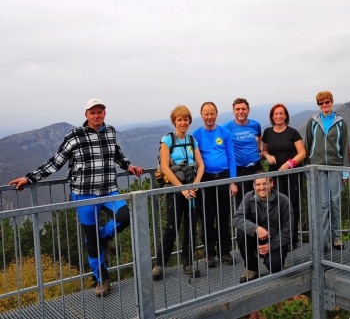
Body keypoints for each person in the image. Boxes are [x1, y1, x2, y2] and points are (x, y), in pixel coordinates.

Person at [9, 99, 144, 297]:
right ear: (86, 115)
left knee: (124, 216)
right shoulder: (74, 135)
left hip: (108, 191)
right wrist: (29, 178)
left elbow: (116, 154)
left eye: (100, 112)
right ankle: (102, 280)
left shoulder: (110, 131)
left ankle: (103, 236)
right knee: (90, 240)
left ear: (104, 114)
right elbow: (55, 162)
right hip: (84, 194)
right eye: (93, 113)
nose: (96, 116)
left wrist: (128, 166)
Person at [152, 105, 205, 280]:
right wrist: (182, 189)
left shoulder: (192, 140)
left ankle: (188, 263)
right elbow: (165, 168)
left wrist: (196, 183)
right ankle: (159, 264)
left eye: (186, 119)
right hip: (175, 190)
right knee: (172, 227)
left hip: (192, 188)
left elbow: (200, 164)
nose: (183, 122)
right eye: (180, 119)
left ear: (189, 121)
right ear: (174, 121)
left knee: (191, 226)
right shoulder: (167, 140)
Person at [193, 102, 237, 267]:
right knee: (207, 218)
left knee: (223, 217)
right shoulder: (196, 134)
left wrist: (232, 182)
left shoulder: (224, 132)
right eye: (206, 114)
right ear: (201, 115)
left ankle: (225, 252)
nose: (209, 117)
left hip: (224, 177)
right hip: (205, 180)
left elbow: (231, 157)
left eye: (212, 113)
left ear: (217, 114)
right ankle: (210, 253)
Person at [305, 91, 350, 251]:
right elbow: (307, 145)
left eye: (327, 102)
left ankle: (336, 237)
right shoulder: (313, 122)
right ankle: (324, 240)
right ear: (318, 105)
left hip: (335, 166)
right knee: (323, 204)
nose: (324, 105)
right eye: (321, 103)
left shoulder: (340, 122)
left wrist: (346, 171)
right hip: (318, 168)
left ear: (332, 102)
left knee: (335, 202)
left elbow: (345, 147)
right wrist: (308, 169)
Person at [261, 103, 306, 249]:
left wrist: (289, 164)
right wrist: (267, 156)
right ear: (272, 117)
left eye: (281, 113)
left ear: (286, 116)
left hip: (291, 174)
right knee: (276, 206)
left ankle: (292, 239)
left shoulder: (292, 132)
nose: (279, 116)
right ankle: (279, 239)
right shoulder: (267, 132)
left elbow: (302, 153)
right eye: (276, 114)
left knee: (291, 205)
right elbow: (264, 151)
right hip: (275, 175)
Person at [233, 176, 291, 283]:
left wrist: (271, 246)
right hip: (257, 236)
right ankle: (252, 268)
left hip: (276, 240)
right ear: (254, 186)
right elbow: (237, 219)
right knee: (241, 231)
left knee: (274, 267)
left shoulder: (283, 200)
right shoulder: (248, 197)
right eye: (258, 184)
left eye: (265, 183)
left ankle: (270, 256)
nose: (262, 187)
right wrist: (256, 228)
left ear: (271, 183)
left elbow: (288, 230)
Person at [222, 98, 262, 203]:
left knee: (261, 200)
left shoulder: (255, 124)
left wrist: (258, 150)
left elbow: (259, 136)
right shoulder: (226, 127)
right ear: (233, 111)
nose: (241, 111)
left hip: (256, 167)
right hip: (239, 170)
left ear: (248, 110)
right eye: (237, 109)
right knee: (243, 203)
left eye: (243, 109)